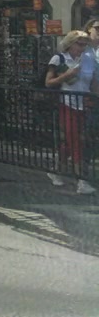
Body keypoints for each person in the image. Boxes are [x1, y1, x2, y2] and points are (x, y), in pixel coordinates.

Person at [44, 30, 96, 194]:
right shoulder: (59, 58)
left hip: (84, 104)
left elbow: (93, 82)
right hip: (67, 104)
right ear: (70, 43)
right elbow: (48, 82)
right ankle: (81, 180)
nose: (82, 48)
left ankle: (57, 170)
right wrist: (66, 75)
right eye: (79, 44)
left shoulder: (88, 60)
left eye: (85, 45)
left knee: (71, 140)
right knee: (75, 140)